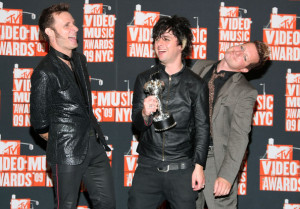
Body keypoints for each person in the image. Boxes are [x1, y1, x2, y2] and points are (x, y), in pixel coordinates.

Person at [30, 3, 115, 209]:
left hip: (94, 146)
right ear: (50, 32)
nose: (75, 28)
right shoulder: (44, 72)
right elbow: (39, 124)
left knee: (108, 204)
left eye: (74, 24)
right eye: (67, 25)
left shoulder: (79, 59)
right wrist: (63, 138)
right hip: (66, 152)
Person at [128, 15, 210, 209]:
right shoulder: (144, 78)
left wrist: (199, 166)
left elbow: (203, 128)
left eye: (166, 38)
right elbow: (137, 124)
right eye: (157, 38)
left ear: (181, 45)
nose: (159, 44)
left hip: (182, 170)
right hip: (148, 167)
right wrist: (145, 114)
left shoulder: (196, 85)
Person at [192, 41, 270, 209]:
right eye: (242, 47)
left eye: (245, 56)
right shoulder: (200, 66)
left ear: (245, 69)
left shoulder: (245, 91)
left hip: (213, 159)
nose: (238, 52)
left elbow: (240, 136)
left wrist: (226, 176)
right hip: (185, 153)